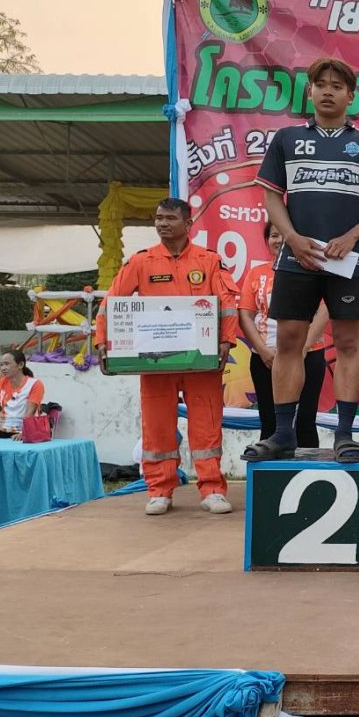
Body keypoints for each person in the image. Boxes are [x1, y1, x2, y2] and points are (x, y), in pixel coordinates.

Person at [248, 57, 359, 463]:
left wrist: (352, 236)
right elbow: (271, 196)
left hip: (348, 261)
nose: (328, 91)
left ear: (351, 96)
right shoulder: (287, 139)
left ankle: (345, 436)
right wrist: (292, 238)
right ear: (310, 91)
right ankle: (283, 434)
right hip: (296, 258)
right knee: (288, 342)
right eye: (321, 84)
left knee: (347, 342)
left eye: (337, 86)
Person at [94, 198, 240, 516]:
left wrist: (226, 341)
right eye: (159, 218)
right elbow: (111, 302)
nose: (162, 223)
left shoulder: (209, 260)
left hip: (201, 361)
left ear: (188, 224)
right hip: (155, 361)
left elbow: (228, 303)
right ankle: (160, 491)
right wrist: (102, 341)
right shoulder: (141, 261)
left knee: (206, 424)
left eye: (170, 218)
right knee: (157, 425)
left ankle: (212, 489)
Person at [239, 222, 330, 448]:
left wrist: (303, 348)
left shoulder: (314, 270)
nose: (279, 240)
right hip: (265, 358)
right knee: (270, 422)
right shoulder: (256, 273)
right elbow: (245, 315)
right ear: (266, 241)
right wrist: (262, 350)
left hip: (308, 354)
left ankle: (308, 467)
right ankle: (271, 469)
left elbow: (326, 308)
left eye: (284, 235)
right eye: (273, 235)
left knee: (304, 422)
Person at [0, 348, 44, 440]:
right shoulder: (1, 383)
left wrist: (23, 432)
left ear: (20, 365)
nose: (3, 368)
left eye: (7, 364)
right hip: (2, 432)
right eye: (1, 365)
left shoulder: (35, 384)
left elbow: (31, 411)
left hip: (25, 433)